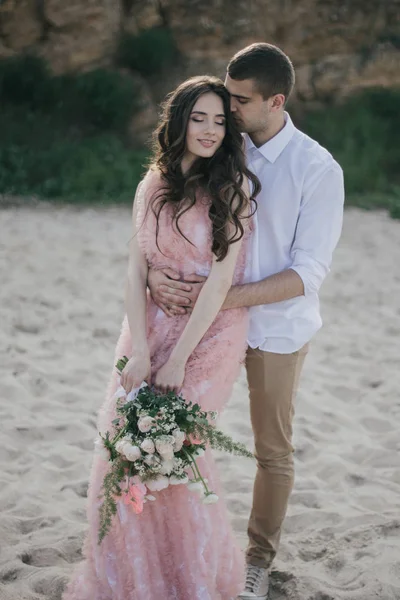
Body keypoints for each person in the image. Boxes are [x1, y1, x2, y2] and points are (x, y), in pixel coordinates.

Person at [147, 43, 345, 600]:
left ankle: (257, 560)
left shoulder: (318, 169)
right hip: (202, 327)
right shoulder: (221, 149)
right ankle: (168, 545)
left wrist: (220, 298)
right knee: (169, 431)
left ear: (275, 101)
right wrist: (153, 280)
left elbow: (309, 273)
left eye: (239, 100)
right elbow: (168, 221)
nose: (227, 109)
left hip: (277, 331)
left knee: (271, 451)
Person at [62, 75, 261, 600]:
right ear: (178, 121)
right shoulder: (151, 183)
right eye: (199, 118)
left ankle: (190, 580)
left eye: (220, 120)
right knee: (122, 450)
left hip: (210, 335)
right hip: (147, 326)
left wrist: (178, 361)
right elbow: (134, 269)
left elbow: (221, 281)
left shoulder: (231, 189)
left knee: (179, 450)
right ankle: (133, 579)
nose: (210, 130)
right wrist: (145, 351)